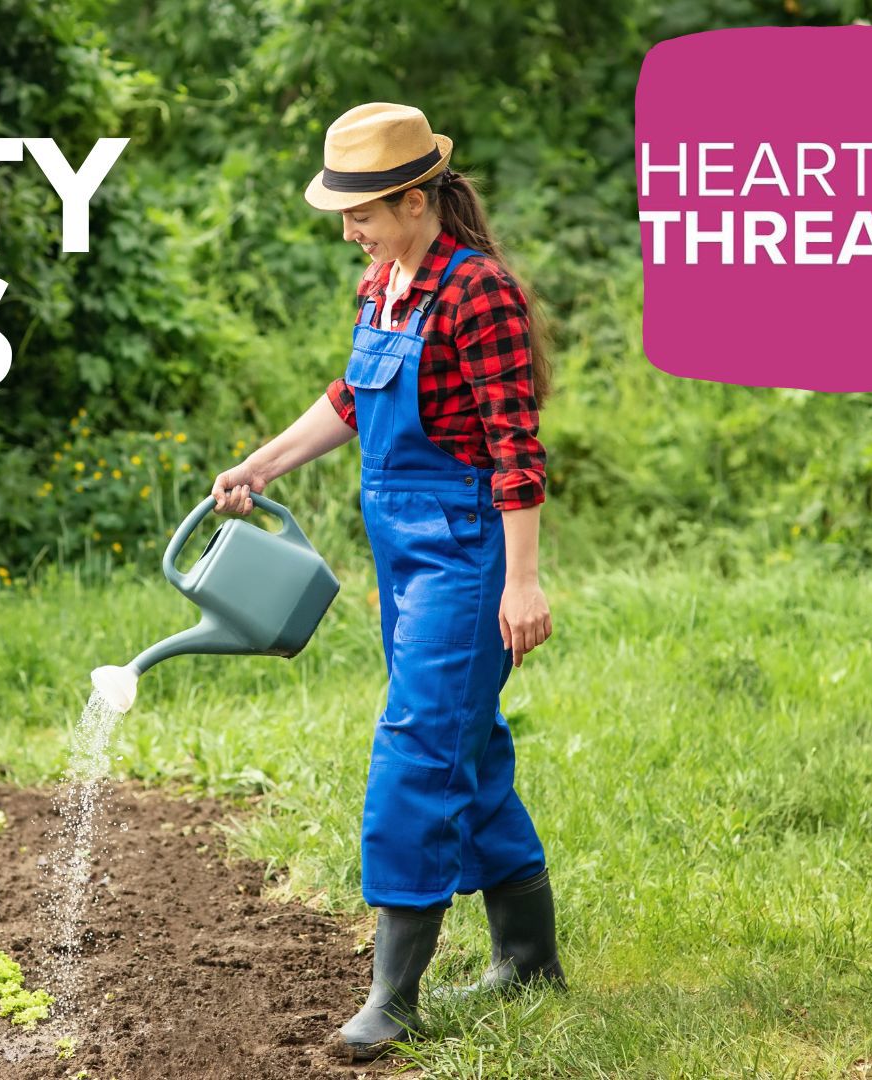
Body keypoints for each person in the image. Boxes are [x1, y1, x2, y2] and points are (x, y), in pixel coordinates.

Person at [209, 102, 566, 1062]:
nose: (348, 228)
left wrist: (521, 584)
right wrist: (263, 464)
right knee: (467, 742)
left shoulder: (475, 291)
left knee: (414, 748)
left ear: (415, 199)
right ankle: (529, 958)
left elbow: (514, 446)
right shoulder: (386, 284)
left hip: (466, 548)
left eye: (361, 209)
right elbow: (350, 398)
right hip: (404, 557)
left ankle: (392, 995)